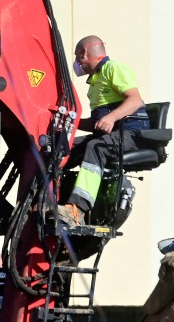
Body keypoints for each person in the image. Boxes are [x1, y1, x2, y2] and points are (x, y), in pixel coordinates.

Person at [58, 35, 149, 226]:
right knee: (65, 147)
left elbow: (135, 100)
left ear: (84, 53)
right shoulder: (95, 81)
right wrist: (71, 122)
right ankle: (52, 199)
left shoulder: (113, 69)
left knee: (96, 147)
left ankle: (77, 210)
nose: (76, 63)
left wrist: (111, 117)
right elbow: (98, 123)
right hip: (110, 134)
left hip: (131, 133)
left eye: (77, 57)